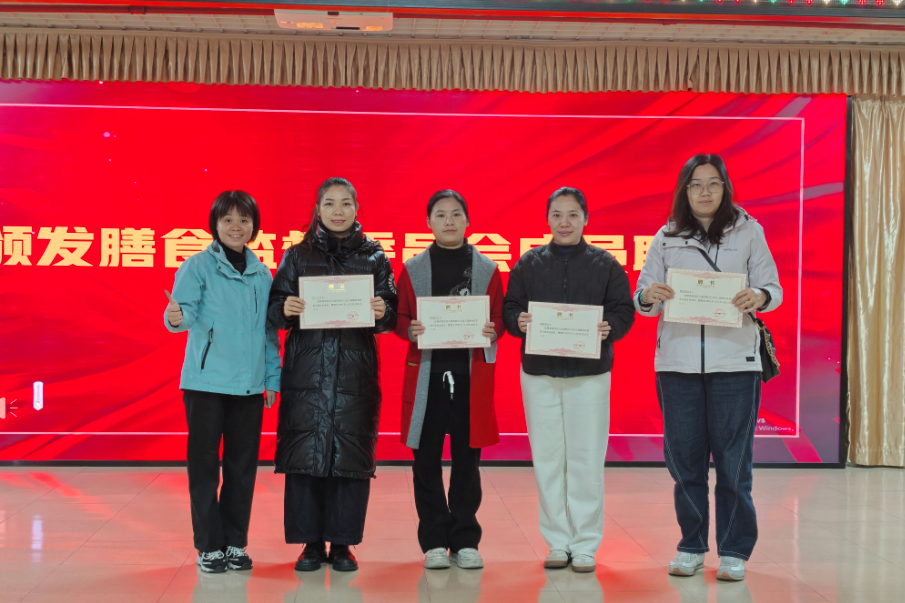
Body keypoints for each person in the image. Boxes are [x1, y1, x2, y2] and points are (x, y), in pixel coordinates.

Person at [634, 154, 782, 581]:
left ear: (725, 188)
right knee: (685, 462)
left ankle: (734, 550)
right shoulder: (666, 237)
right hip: (677, 364)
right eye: (696, 184)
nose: (704, 191)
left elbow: (773, 288)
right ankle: (692, 546)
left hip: (735, 363)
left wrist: (758, 296)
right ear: (685, 190)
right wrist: (650, 296)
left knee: (734, 463)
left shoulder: (749, 231)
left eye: (713, 183)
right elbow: (642, 298)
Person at [268, 177, 398, 573]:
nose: (338, 211)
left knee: (350, 457)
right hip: (306, 373)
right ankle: (309, 544)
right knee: (305, 457)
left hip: (354, 374)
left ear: (357, 208)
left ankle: (343, 545)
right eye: (330, 203)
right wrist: (286, 307)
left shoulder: (375, 256)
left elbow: (391, 311)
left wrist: (383, 311)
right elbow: (274, 307)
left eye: (345, 203)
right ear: (318, 210)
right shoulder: (296, 255)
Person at [502, 187, 635, 573]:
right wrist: (517, 320)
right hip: (539, 373)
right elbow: (510, 307)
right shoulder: (529, 263)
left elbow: (623, 310)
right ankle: (557, 542)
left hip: (589, 375)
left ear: (586, 219)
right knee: (547, 459)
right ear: (547, 219)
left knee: (586, 459)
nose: (565, 222)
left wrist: (611, 327)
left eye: (573, 214)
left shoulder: (606, 264)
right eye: (557, 215)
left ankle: (586, 543)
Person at [163, 190, 281, 573]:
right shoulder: (197, 267)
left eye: (244, 220)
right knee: (204, 468)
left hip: (249, 387)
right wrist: (175, 318)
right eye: (227, 219)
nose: (236, 227)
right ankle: (208, 546)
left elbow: (268, 332)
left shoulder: (263, 274)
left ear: (254, 226)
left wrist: (272, 378)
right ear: (215, 224)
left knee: (241, 470)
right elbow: (182, 313)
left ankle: (234, 543)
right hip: (205, 385)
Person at [393, 190, 506, 570]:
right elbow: (399, 317)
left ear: (468, 221)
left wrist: (493, 330)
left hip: (469, 379)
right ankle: (434, 542)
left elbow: (500, 318)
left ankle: (465, 539)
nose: (449, 221)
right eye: (440, 215)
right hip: (426, 380)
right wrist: (410, 329)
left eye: (456, 214)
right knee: (425, 463)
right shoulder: (413, 268)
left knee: (466, 463)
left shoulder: (487, 269)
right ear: (428, 222)